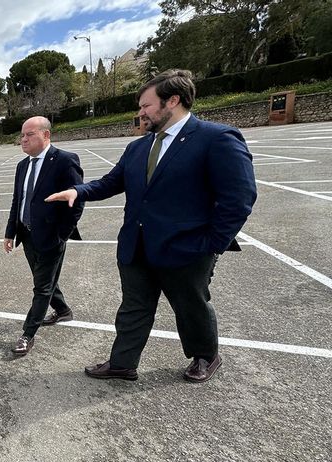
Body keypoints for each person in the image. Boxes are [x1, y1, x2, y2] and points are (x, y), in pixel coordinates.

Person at [46, 69, 257, 382]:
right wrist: (77, 191)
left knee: (191, 307)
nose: (140, 112)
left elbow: (239, 197)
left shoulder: (216, 138)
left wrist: (212, 244)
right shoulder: (139, 147)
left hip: (187, 248)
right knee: (133, 307)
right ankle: (122, 362)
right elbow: (111, 182)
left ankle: (206, 356)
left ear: (172, 101)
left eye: (146, 105)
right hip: (137, 245)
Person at [4, 116, 85, 357]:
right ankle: (62, 310)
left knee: (41, 287)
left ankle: (27, 334)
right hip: (27, 235)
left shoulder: (65, 161)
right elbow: (17, 201)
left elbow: (77, 200)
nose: (24, 139)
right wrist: (10, 232)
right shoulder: (23, 165)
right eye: (22, 135)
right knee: (46, 280)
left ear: (46, 135)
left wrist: (62, 234)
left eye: (29, 134)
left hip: (52, 237)